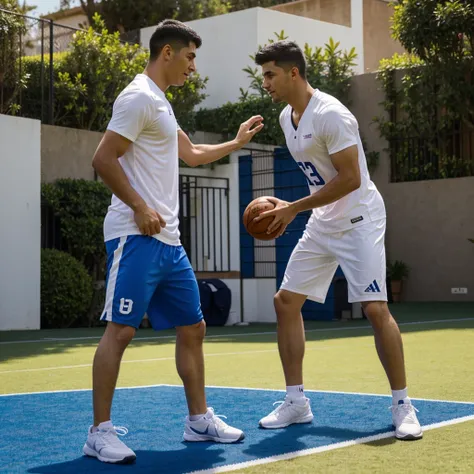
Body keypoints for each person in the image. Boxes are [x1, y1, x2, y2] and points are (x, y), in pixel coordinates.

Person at [83, 19, 264, 464]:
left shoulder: (160, 102)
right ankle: (99, 433)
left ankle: (198, 420)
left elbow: (192, 154)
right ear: (167, 52)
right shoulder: (137, 97)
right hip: (135, 235)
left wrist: (236, 142)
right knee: (121, 330)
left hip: (169, 241)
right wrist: (140, 206)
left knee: (194, 326)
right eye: (189, 56)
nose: (193, 66)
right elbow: (102, 159)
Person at [252, 40, 422, 441]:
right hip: (323, 221)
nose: (266, 83)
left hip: (359, 218)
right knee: (285, 302)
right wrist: (290, 204)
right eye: (264, 76)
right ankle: (296, 402)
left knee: (375, 309)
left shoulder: (332, 114)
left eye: (270, 74)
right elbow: (319, 176)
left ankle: (403, 405)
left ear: (293, 72)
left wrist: (293, 207)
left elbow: (350, 179)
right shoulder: (285, 118)